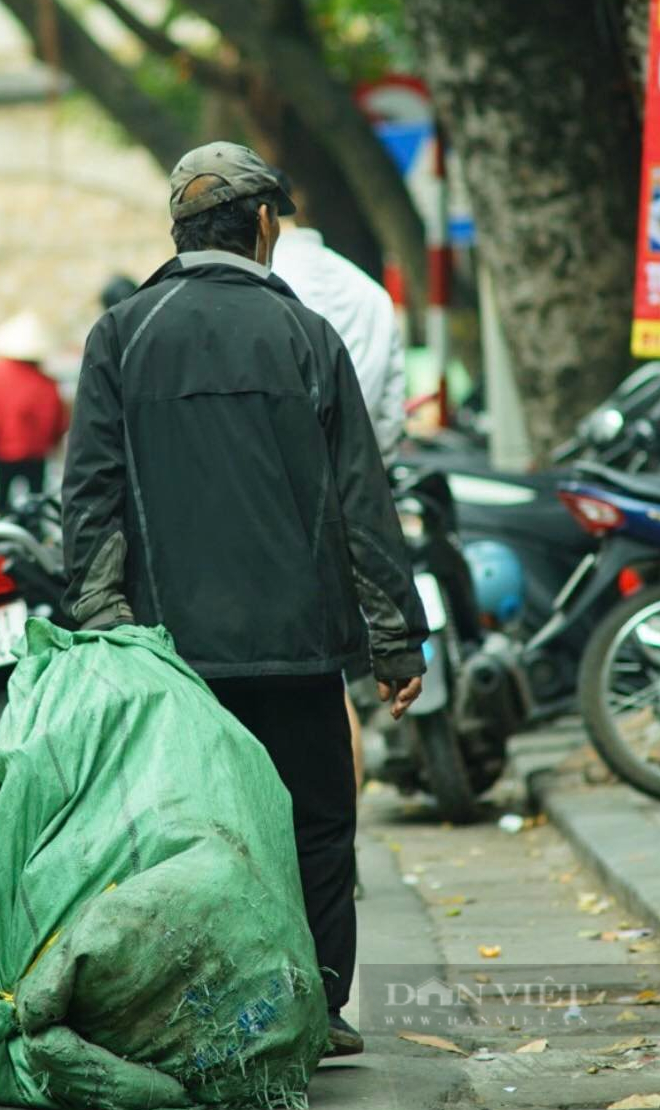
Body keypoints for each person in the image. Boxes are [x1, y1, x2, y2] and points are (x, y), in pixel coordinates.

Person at [61, 141, 429, 1057]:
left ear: (180, 231)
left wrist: (106, 630)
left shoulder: (122, 334)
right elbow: (362, 505)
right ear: (264, 224)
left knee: (183, 833)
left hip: (171, 652)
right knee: (316, 827)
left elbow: (91, 502)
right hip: (299, 647)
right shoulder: (307, 335)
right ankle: (320, 1011)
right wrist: (396, 644)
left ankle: (186, 1012)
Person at [270, 175, 410, 847]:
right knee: (332, 692)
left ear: (260, 219)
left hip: (270, 513)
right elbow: (388, 426)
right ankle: (337, 845)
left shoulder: (261, 298)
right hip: (351, 511)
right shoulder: (370, 295)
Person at [270, 174, 408, 467]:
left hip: (280, 489)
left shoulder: (257, 290)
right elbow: (392, 414)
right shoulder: (369, 291)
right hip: (360, 480)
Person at [0, 311, 68, 512]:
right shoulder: (47, 382)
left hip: (2, 457)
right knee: (36, 508)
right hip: (37, 459)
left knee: (1, 509)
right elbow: (59, 425)